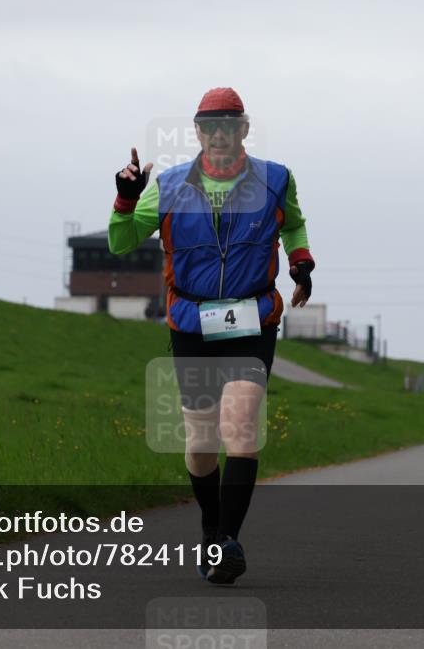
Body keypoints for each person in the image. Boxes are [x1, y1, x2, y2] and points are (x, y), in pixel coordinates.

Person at [108, 87, 315, 585]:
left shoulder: (276, 179)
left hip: (253, 317)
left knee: (242, 425)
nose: (220, 133)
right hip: (192, 322)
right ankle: (211, 527)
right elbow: (120, 242)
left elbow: (295, 226)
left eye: (230, 124)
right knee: (201, 440)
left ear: (244, 130)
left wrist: (301, 264)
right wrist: (126, 198)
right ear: (197, 132)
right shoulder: (172, 185)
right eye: (209, 125)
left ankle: (227, 542)